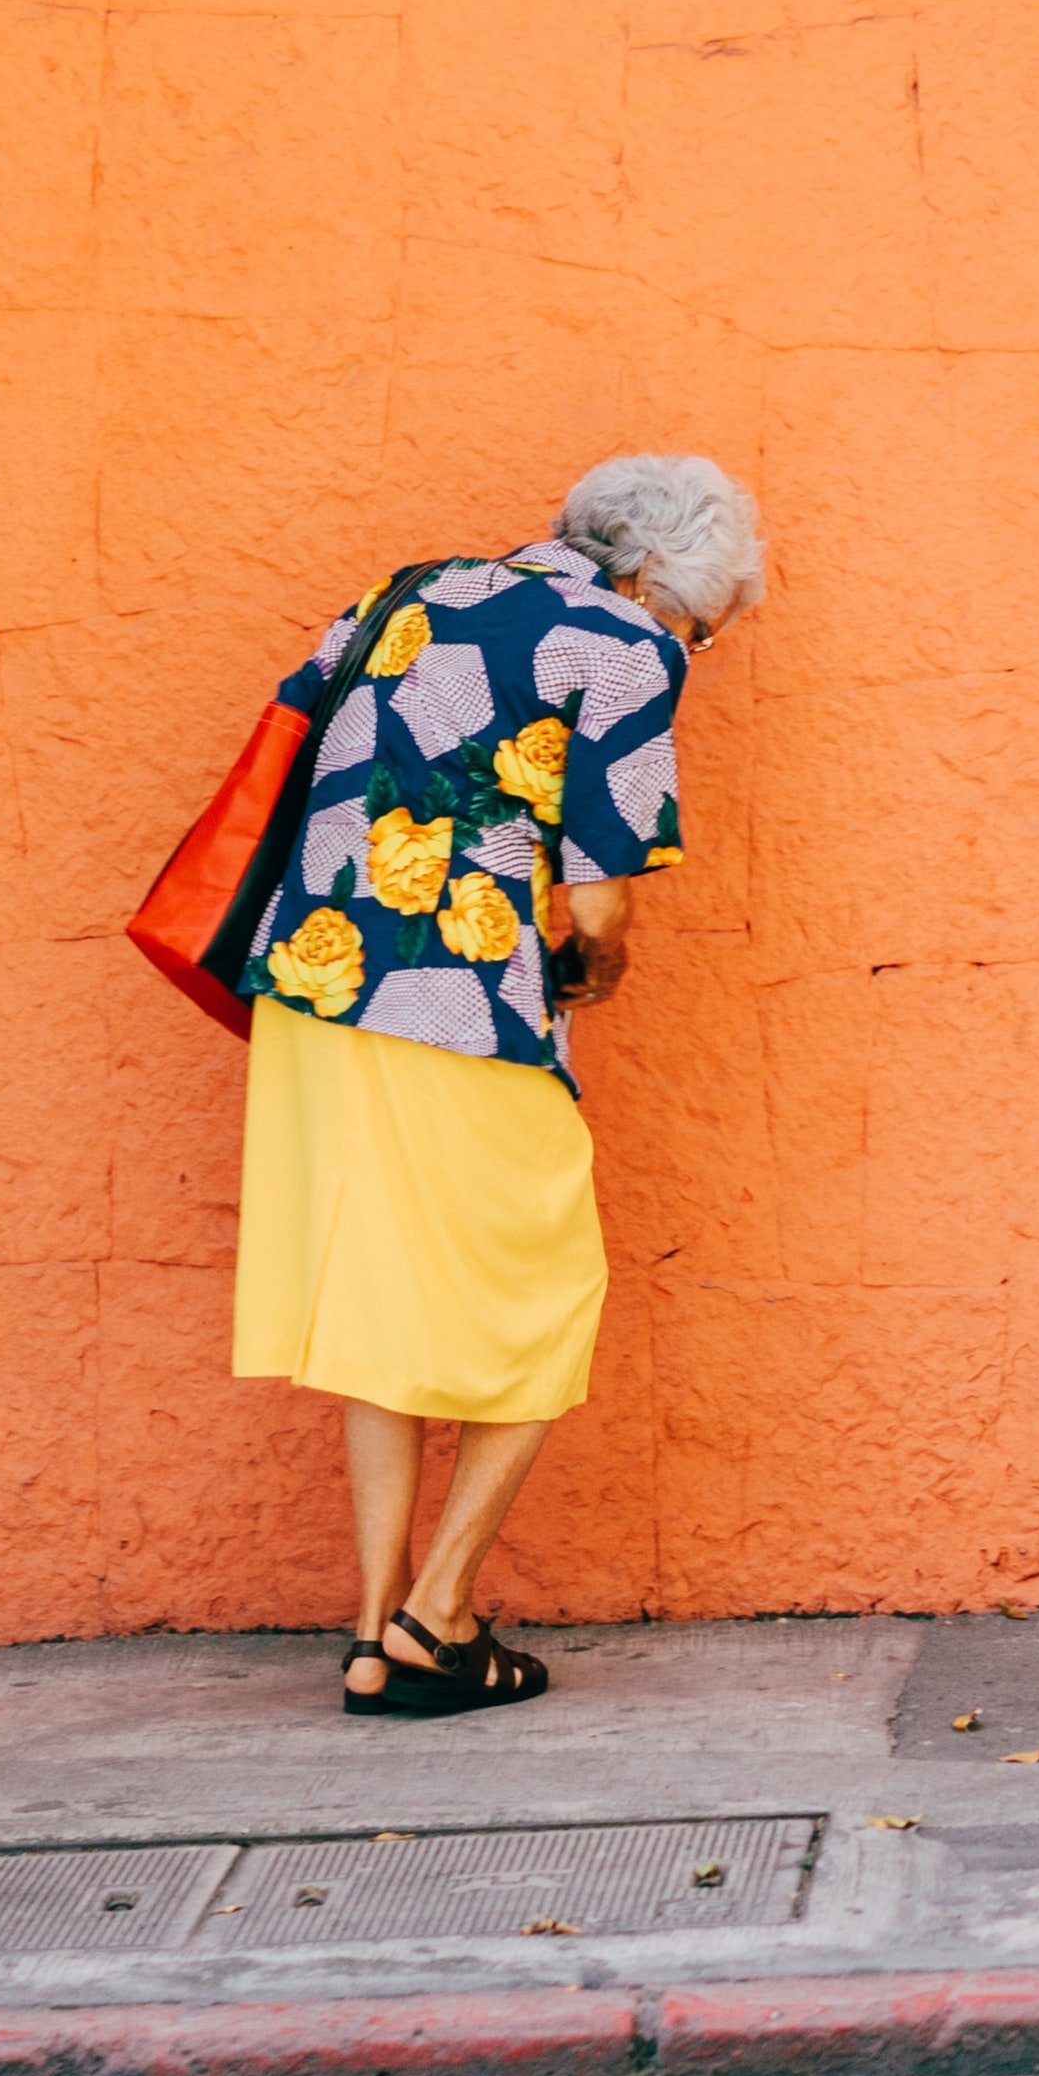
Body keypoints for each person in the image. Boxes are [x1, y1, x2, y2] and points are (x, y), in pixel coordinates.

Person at [227, 452, 766, 1718]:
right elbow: (598, 887)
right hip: (455, 999)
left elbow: (307, 745)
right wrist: (608, 961)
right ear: (659, 578)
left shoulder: (404, 592)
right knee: (549, 1286)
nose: (692, 644)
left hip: (314, 983)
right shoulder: (625, 640)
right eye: (702, 622)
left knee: (384, 1293)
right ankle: (439, 1611)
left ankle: (372, 1628)